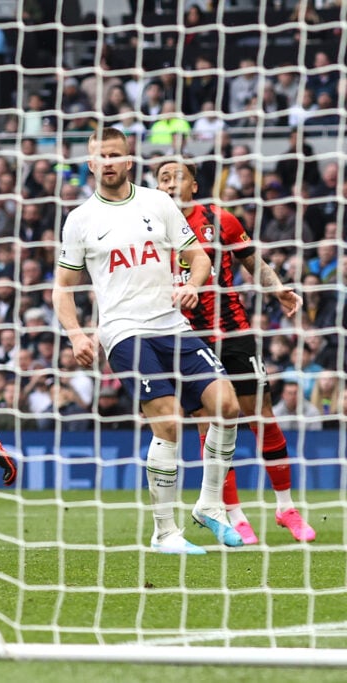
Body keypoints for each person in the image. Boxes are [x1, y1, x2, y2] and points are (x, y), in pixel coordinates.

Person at [52, 128, 243, 555]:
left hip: (172, 324)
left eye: (116, 154)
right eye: (101, 156)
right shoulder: (80, 218)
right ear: (90, 164)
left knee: (227, 406)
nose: (109, 162)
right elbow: (62, 287)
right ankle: (165, 532)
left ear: (129, 160)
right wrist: (76, 333)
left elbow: (200, 256)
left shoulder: (159, 203)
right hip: (122, 330)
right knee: (170, 419)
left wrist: (193, 284)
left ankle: (210, 505)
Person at [157, 158, 315, 544]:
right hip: (186, 337)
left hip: (233, 331)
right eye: (162, 178)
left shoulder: (219, 218)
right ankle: (234, 514)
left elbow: (251, 261)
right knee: (211, 423)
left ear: (194, 185)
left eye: (177, 176)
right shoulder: (150, 229)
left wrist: (276, 287)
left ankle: (286, 507)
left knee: (261, 416)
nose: (169, 183)